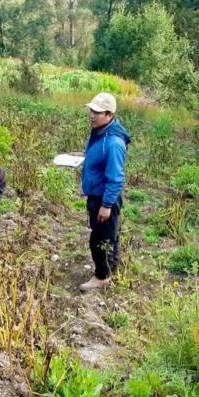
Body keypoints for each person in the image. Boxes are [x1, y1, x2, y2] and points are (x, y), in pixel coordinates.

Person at [79, 92, 131, 291]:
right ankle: (111, 267)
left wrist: (106, 205)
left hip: (104, 198)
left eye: (98, 112)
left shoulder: (114, 142)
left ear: (109, 115)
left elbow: (116, 178)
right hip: (97, 195)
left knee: (100, 239)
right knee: (110, 234)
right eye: (91, 110)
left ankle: (102, 276)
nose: (92, 115)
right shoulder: (100, 132)